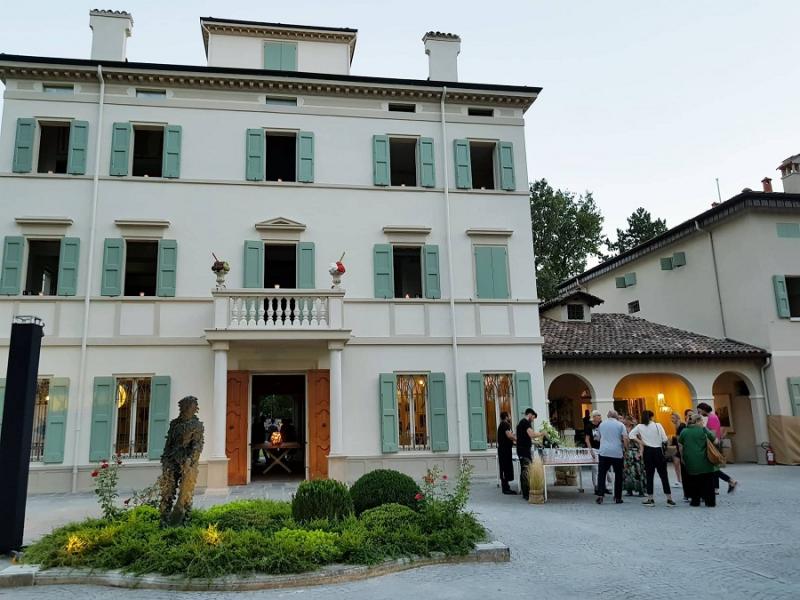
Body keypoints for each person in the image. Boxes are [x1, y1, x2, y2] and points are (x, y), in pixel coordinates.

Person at [629, 410, 676, 507]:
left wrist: (641, 442)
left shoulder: (639, 426)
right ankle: (669, 499)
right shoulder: (658, 425)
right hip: (658, 451)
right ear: (652, 417)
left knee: (649, 476)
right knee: (664, 476)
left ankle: (650, 499)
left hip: (648, 451)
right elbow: (664, 439)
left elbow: (631, 435)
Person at [678, 412, 718, 507]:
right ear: (698, 421)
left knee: (694, 481)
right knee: (708, 482)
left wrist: (683, 458)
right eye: (701, 421)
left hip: (690, 461)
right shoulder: (703, 430)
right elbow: (714, 440)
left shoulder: (684, 431)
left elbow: (680, 446)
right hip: (705, 460)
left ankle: (695, 501)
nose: (703, 423)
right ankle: (710, 502)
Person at [696, 402, 738, 494]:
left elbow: (713, 434)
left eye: (699, 410)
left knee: (712, 468)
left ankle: (730, 481)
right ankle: (716, 489)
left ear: (703, 409)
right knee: (713, 467)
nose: (698, 412)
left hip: (713, 445)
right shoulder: (712, 417)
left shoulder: (711, 418)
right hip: (715, 444)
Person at [595, 410, 628, 504]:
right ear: (616, 416)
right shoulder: (620, 425)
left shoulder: (602, 424)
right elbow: (625, 438)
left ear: (608, 416)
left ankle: (600, 495)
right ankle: (618, 497)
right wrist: (626, 449)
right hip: (617, 452)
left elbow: (598, 437)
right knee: (618, 475)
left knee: (602, 474)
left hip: (604, 452)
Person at [516, 408, 544, 501]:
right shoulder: (525, 422)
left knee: (525, 470)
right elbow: (531, 434)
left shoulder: (522, 423)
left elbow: (526, 437)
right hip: (523, 451)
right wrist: (541, 433)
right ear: (530, 415)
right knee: (525, 471)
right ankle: (526, 494)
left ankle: (525, 492)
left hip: (522, 450)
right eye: (533, 417)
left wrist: (535, 443)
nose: (533, 420)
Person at [622, 416, 646, 497]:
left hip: (636, 452)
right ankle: (629, 490)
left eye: (626, 420)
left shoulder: (636, 429)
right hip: (628, 452)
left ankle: (641, 490)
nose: (624, 421)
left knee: (638, 471)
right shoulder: (623, 429)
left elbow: (641, 441)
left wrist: (641, 452)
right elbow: (624, 442)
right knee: (628, 471)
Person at [497, 411, 517, 494]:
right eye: (509, 416)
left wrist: (514, 437)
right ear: (506, 417)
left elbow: (509, 435)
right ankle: (506, 489)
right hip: (504, 450)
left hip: (503, 449)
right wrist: (518, 440)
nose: (510, 417)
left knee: (504, 467)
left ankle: (506, 487)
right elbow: (509, 435)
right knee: (505, 467)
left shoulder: (502, 424)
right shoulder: (505, 424)